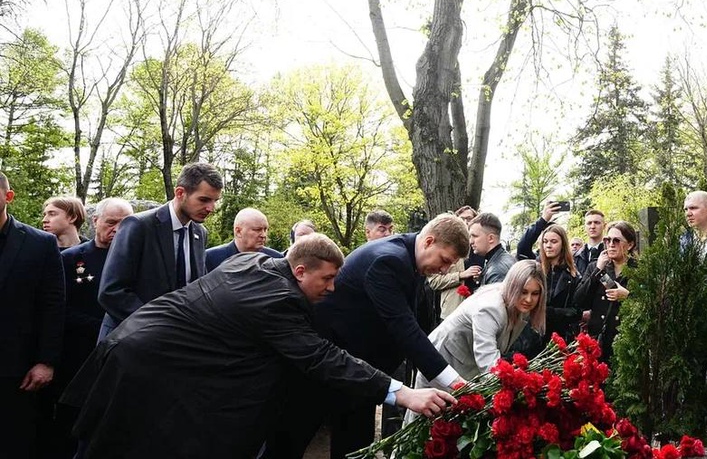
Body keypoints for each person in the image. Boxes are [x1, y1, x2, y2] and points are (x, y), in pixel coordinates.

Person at [60, 234, 455, 459]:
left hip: (142, 352)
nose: (334, 289)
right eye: (329, 279)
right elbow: (321, 355)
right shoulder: (277, 300)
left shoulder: (254, 265)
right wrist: (401, 393)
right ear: (300, 271)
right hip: (144, 366)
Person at [267, 213, 469, 459]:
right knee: (292, 441)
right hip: (326, 368)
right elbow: (404, 327)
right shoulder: (388, 260)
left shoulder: (408, 257)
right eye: (445, 260)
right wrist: (457, 383)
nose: (445, 269)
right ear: (428, 241)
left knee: (355, 447)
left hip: (360, 375)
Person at [37, 198, 134, 459]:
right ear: (95, 221)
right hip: (76, 357)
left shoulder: (135, 260)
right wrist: (101, 327)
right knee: (67, 426)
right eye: (111, 222)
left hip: (119, 359)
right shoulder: (71, 259)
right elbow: (57, 308)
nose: (117, 229)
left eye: (125, 224)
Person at [97, 162, 223, 340]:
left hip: (174, 343)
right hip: (128, 342)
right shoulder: (138, 226)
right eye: (204, 200)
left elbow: (196, 289)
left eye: (215, 201)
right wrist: (158, 325)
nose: (211, 208)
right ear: (180, 193)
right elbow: (112, 292)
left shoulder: (199, 233)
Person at [413, 260, 546, 401]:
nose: (528, 299)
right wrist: (515, 392)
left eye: (535, 293)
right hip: (440, 367)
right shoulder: (490, 308)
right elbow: (488, 363)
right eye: (523, 292)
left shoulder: (517, 303)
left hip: (465, 368)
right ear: (513, 286)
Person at [0, 172, 64, 459]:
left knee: (14, 443)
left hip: (16, 368)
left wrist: (46, 361)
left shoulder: (40, 244)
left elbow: (53, 305)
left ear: (8, 197)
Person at [516, 201, 583, 341]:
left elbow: (577, 311)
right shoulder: (536, 266)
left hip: (559, 337)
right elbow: (522, 247)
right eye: (545, 241)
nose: (548, 245)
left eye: (553, 241)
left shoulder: (573, 274)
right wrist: (543, 220)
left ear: (563, 244)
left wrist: (549, 312)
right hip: (532, 335)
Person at [574, 221, 638, 365]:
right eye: (607, 240)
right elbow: (579, 301)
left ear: (630, 245)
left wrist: (628, 296)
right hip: (598, 343)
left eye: (616, 240)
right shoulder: (595, 267)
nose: (611, 244)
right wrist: (597, 270)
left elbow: (652, 305)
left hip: (627, 343)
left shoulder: (640, 270)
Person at [427, 206, 483, 320]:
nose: (466, 223)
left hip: (477, 311)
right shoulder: (445, 247)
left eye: (469, 219)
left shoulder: (482, 249)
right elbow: (434, 282)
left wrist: (478, 277)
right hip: (452, 312)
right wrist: (461, 275)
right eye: (462, 219)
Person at [205, 207, 283, 272]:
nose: (263, 235)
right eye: (257, 230)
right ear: (238, 231)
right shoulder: (211, 258)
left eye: (265, 229)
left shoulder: (276, 260)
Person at [468, 212, 515, 287]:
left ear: (491, 238)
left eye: (474, 236)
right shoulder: (504, 259)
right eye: (470, 237)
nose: (471, 241)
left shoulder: (497, 272)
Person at [573, 209, 606, 274]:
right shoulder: (575, 256)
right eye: (589, 223)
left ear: (604, 226)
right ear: (585, 227)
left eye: (597, 223)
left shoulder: (610, 253)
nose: (592, 226)